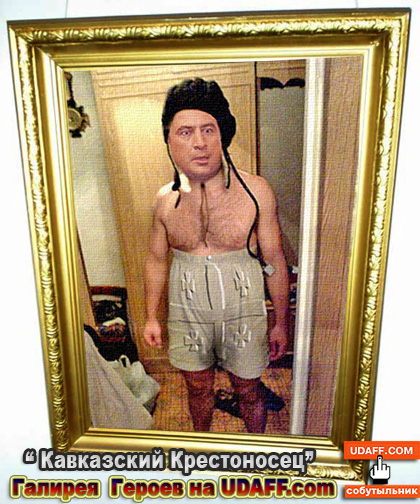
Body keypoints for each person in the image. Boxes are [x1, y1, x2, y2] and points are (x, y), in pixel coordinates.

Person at [143, 78, 289, 433]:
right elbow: (156, 259)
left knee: (249, 390)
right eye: (185, 132)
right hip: (187, 312)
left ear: (223, 134)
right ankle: (203, 447)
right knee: (197, 388)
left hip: (244, 310)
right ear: (169, 140)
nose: (199, 143)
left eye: (208, 129)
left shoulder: (257, 191)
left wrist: (281, 321)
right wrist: (150, 317)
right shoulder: (164, 200)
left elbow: (274, 259)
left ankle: (256, 451)